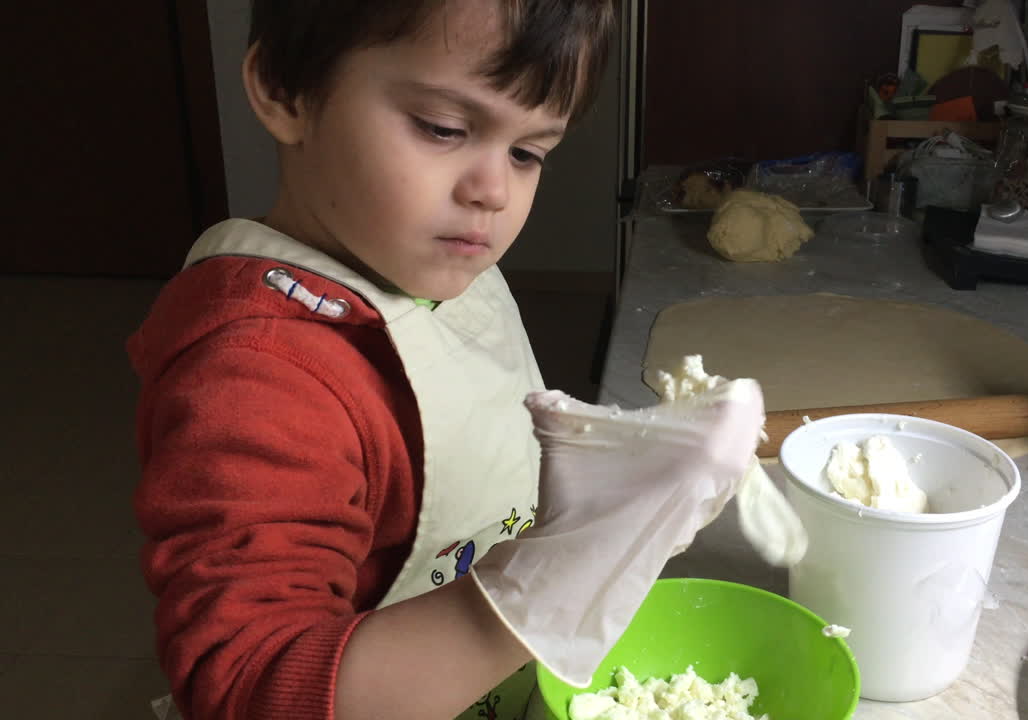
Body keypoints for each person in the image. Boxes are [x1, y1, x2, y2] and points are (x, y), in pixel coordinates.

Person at [127, 2, 766, 720]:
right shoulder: (257, 377)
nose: (492, 191)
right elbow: (251, 690)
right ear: (284, 89)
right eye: (444, 129)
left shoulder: (420, 265)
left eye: (529, 153)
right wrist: (546, 585)